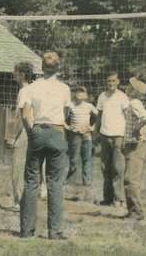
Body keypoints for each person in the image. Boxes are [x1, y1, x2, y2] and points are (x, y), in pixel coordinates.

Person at [18, 51, 72, 240]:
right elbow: (65, 114)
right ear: (58, 67)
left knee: (32, 182)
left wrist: (31, 132)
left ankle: (26, 231)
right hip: (57, 132)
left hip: (38, 131)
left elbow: (25, 115)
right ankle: (55, 232)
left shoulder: (30, 88)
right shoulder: (64, 89)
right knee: (55, 183)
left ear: (41, 67)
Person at [95, 73, 130, 207]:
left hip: (119, 136)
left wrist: (127, 135)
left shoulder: (122, 97)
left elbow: (128, 117)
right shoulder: (102, 96)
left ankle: (119, 198)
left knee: (118, 168)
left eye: (113, 81)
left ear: (118, 82)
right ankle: (107, 198)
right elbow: (99, 116)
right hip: (105, 135)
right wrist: (96, 133)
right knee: (105, 167)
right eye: (108, 81)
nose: (111, 83)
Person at [122, 77, 146, 221]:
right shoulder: (132, 102)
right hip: (131, 144)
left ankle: (137, 212)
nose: (127, 87)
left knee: (131, 179)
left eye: (130, 86)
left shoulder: (134, 102)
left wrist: (136, 129)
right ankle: (132, 210)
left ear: (134, 91)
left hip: (136, 145)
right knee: (129, 178)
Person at [6, 61, 35, 206]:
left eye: (15, 72)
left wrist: (12, 137)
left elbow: (20, 117)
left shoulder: (24, 91)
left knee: (18, 168)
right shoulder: (34, 89)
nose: (13, 74)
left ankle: (19, 202)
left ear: (22, 74)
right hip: (34, 131)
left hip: (24, 131)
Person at [66, 85, 97, 188]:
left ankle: (87, 182)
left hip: (87, 135)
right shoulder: (70, 106)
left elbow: (99, 118)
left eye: (82, 92)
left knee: (87, 159)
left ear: (86, 95)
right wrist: (69, 128)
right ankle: (69, 180)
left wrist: (92, 128)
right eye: (77, 92)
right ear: (75, 94)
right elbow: (63, 119)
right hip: (75, 136)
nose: (79, 94)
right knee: (74, 159)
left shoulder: (89, 106)